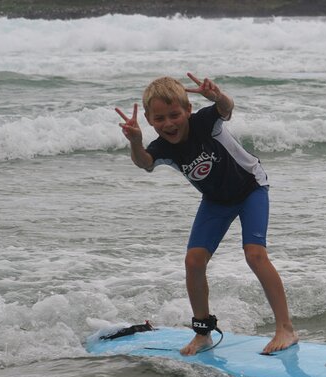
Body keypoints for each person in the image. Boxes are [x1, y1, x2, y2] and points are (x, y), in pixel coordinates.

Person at [115, 73, 298, 355]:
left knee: (255, 254)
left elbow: (226, 108)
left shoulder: (204, 123)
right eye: (160, 119)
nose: (169, 123)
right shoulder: (161, 147)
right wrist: (136, 142)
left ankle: (285, 329)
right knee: (194, 261)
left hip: (251, 188)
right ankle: (203, 334)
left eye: (174, 114)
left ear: (188, 110)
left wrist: (217, 96)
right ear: (151, 121)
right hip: (215, 201)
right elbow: (145, 163)